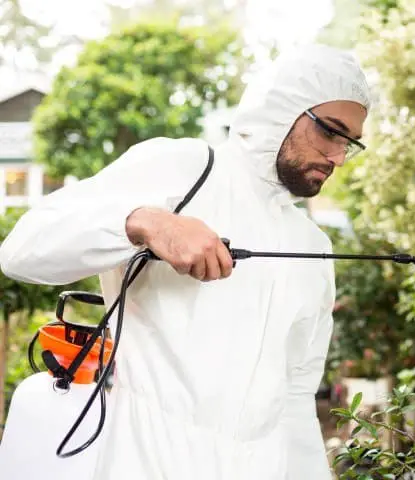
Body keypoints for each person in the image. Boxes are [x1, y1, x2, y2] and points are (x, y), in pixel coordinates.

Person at [0, 44, 371, 480]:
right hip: (145, 461)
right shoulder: (185, 167)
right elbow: (21, 251)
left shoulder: (314, 245)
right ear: (282, 108)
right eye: (330, 131)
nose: (338, 157)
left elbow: (295, 398)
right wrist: (143, 222)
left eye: (350, 142)